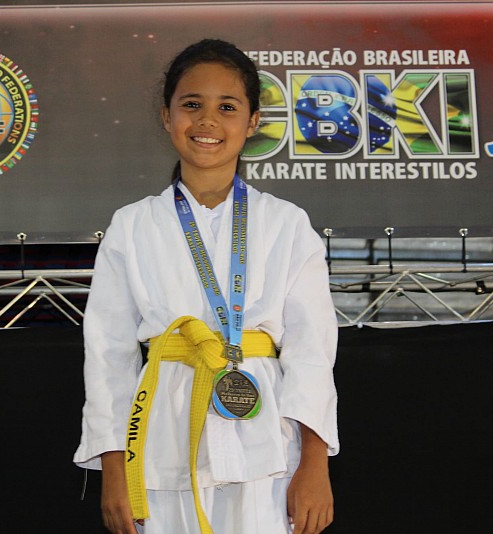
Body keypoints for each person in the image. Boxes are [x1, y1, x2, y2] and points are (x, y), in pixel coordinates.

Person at [74, 38, 339, 534]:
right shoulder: (131, 225)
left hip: (268, 443)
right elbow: (108, 354)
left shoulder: (286, 223)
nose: (207, 121)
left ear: (253, 122)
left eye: (227, 107)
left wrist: (315, 462)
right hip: (160, 440)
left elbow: (312, 350)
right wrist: (113, 466)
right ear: (167, 116)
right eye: (192, 105)